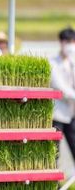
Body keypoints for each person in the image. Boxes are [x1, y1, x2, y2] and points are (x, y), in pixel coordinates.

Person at [50, 27, 75, 161]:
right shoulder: (53, 63)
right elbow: (61, 88)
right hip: (57, 115)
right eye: (67, 42)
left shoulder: (72, 62)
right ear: (61, 42)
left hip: (71, 114)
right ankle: (54, 182)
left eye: (72, 42)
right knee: (55, 153)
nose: (70, 45)